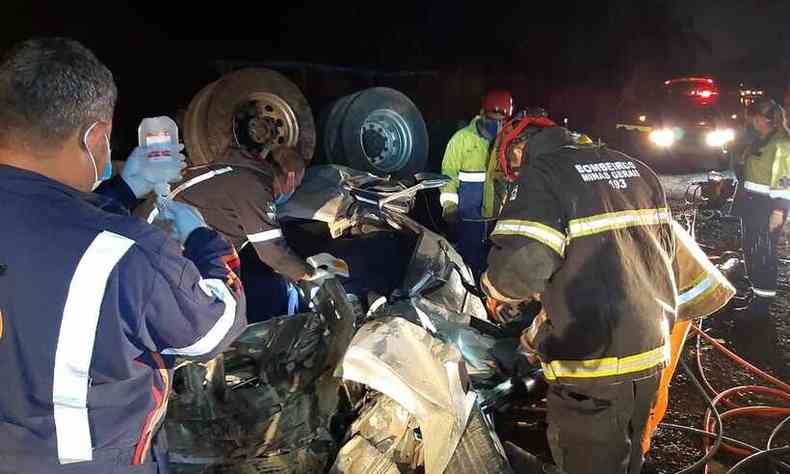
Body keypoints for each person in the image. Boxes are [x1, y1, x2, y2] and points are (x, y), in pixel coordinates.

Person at [0, 38, 246, 474]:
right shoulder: (129, 253)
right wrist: (204, 239)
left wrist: (125, 189)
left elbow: (51, 220)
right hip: (85, 460)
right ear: (95, 137)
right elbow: (213, 328)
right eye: (106, 142)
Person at [481, 122, 677, 474]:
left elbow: (522, 265)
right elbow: (658, 255)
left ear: (518, 149)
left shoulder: (546, 174)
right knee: (629, 458)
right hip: (652, 348)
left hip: (595, 361)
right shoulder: (635, 167)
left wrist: (494, 291)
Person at [146, 144, 319, 322]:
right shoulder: (254, 188)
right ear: (290, 179)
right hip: (164, 250)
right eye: (296, 186)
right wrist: (310, 274)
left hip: (155, 229)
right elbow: (274, 254)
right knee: (231, 307)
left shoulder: (236, 169)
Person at [732, 97, 790, 368]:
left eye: (752, 118)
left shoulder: (781, 144)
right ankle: (756, 295)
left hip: (767, 208)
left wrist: (778, 213)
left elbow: (784, 180)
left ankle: (761, 306)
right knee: (751, 251)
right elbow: (746, 171)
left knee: (763, 254)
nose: (750, 123)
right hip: (751, 205)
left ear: (761, 118)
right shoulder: (761, 141)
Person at [440, 90, 514, 279]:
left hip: (499, 221)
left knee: (495, 268)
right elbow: (448, 175)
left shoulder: (510, 143)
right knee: (467, 267)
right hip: (469, 219)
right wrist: (450, 206)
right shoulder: (462, 139)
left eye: (502, 119)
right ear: (482, 113)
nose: (497, 124)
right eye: (492, 117)